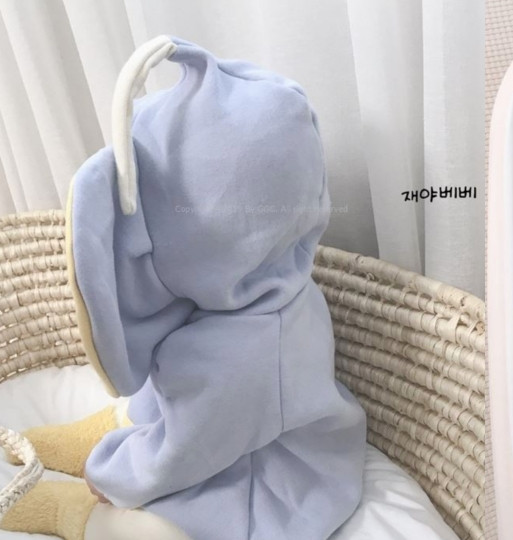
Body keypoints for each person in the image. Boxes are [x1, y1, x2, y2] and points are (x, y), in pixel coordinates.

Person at [1, 36, 366, 540]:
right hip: (227, 431)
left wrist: (114, 477)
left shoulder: (249, 353)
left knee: (160, 531)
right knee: (165, 400)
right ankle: (111, 429)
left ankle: (78, 514)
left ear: (212, 234)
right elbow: (178, 390)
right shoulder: (251, 288)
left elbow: (188, 450)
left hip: (275, 476)